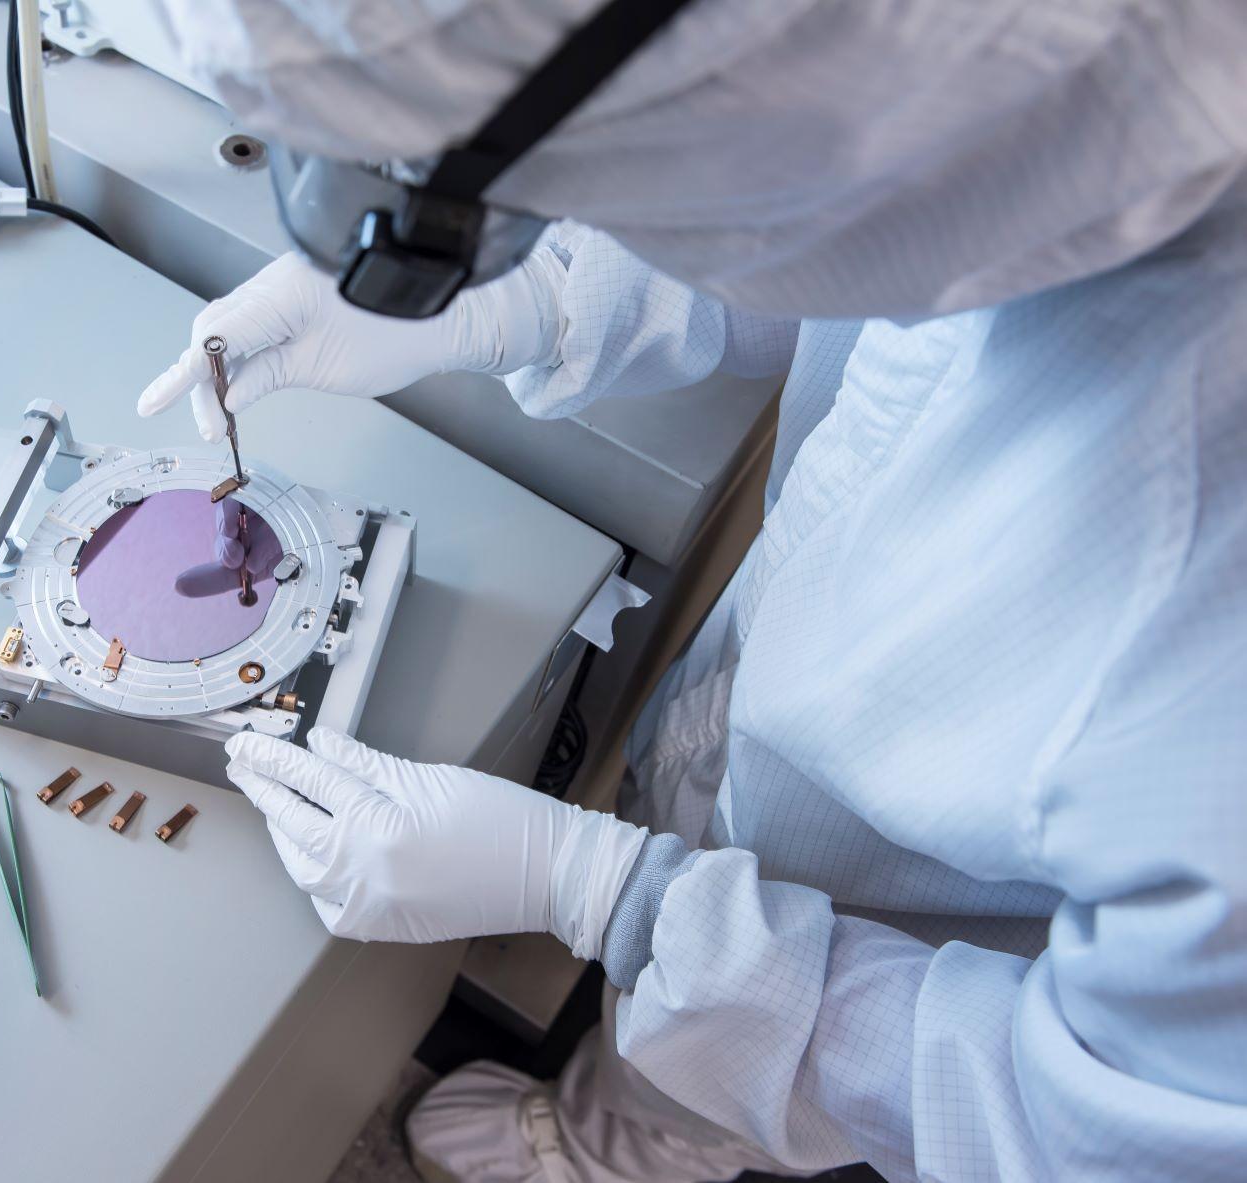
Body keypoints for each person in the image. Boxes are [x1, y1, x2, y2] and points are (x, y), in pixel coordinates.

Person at [139, 1, 1247, 1179]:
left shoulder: (1197, 644)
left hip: (915, 954)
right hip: (791, 727)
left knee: (725, 1085)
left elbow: (1088, 1126)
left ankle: (618, 1151)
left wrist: (601, 893)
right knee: (672, 997)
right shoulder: (970, 99)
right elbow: (821, 199)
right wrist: (532, 294)